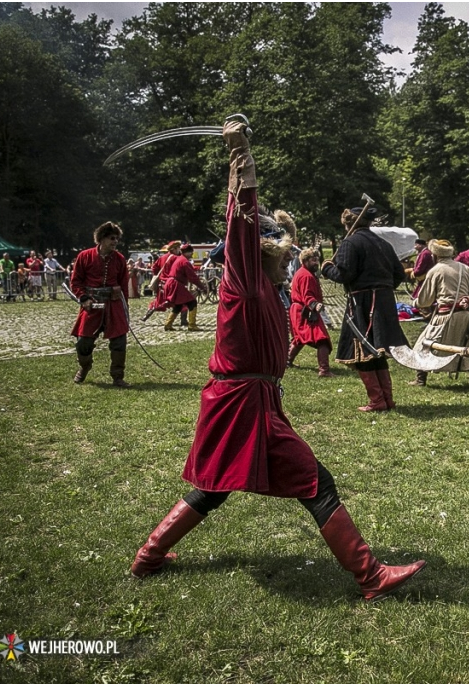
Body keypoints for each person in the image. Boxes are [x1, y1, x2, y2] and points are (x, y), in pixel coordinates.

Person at [130, 119, 425, 600]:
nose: (281, 254)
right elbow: (241, 218)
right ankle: (370, 576)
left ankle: (149, 556)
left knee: (215, 488)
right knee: (314, 481)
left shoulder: (266, 287)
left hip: (248, 401)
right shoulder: (242, 285)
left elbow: (257, 227)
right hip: (243, 404)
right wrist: (240, 155)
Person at [321, 206, 409, 412]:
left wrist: (326, 269)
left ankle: (378, 401)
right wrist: (383, 288)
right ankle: (386, 399)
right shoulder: (384, 244)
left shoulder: (350, 243)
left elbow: (344, 275)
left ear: (348, 224)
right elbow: (399, 274)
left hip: (363, 303)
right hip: (384, 301)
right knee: (375, 352)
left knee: (364, 351)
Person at [409, 239, 469, 392]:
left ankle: (420, 379)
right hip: (467, 316)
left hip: (444, 316)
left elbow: (425, 300)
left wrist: (414, 303)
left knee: (424, 345)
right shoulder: (464, 268)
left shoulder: (435, 270)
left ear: (435, 254)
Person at [69, 222, 131, 387]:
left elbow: (124, 284)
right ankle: (85, 366)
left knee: (119, 341)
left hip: (114, 304)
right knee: (83, 341)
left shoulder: (119, 259)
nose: (115, 241)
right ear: (101, 239)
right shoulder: (84, 256)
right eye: (112, 238)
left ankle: (117, 376)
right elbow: (75, 282)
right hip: (92, 304)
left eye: (117, 238)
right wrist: (83, 298)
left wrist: (125, 307)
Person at [287, 247, 334, 377]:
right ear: (305, 260)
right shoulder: (306, 276)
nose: (316, 263)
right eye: (313, 260)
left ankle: (287, 362)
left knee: (299, 339)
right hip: (305, 312)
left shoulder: (303, 272)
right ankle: (324, 371)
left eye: (317, 259)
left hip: (299, 311)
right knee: (322, 339)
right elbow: (307, 295)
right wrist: (315, 304)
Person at [160, 242, 206, 331]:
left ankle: (168, 324)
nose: (192, 254)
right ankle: (192, 325)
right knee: (192, 302)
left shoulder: (180, 259)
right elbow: (193, 278)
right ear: (187, 252)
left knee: (179, 305)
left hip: (173, 283)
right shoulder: (184, 261)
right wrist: (202, 287)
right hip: (176, 284)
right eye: (191, 252)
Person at [142, 242, 180, 322]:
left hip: (162, 284)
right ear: (174, 249)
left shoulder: (162, 257)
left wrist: (159, 276)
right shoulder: (176, 258)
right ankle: (183, 321)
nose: (179, 250)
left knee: (158, 303)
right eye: (178, 248)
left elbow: (154, 268)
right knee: (183, 300)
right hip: (173, 284)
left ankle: (147, 314)